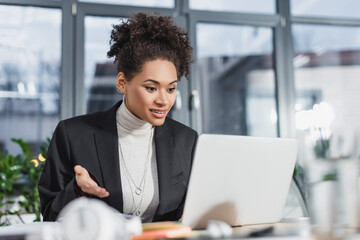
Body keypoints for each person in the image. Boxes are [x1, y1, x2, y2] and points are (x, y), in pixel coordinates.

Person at [38, 13, 198, 222]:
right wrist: (77, 190)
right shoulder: (73, 135)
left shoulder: (186, 140)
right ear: (122, 83)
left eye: (171, 89)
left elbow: (191, 209)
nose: (164, 100)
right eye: (151, 88)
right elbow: (50, 215)